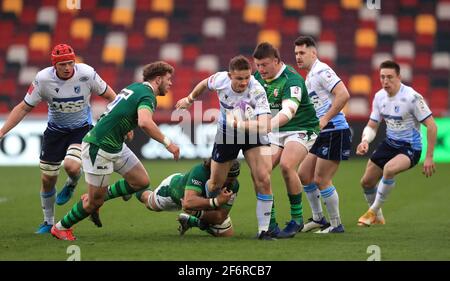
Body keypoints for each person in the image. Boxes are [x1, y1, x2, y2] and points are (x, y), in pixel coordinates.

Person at [50, 61, 180, 240]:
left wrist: (125, 126)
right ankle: (61, 227)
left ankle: (98, 196)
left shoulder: (135, 87)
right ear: (158, 80)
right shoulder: (148, 96)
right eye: (168, 79)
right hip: (100, 147)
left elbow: (115, 110)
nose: (170, 83)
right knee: (94, 203)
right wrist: (168, 143)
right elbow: (145, 122)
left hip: (115, 144)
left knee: (141, 182)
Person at [0, 44, 117, 234]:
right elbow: (23, 107)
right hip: (55, 131)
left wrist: (121, 122)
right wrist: (2, 131)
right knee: (47, 179)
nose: (67, 67)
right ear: (55, 65)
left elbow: (112, 96)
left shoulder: (87, 74)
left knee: (71, 166)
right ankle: (48, 222)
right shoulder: (43, 79)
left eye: (70, 63)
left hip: (82, 129)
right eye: (62, 64)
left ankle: (72, 182)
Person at [176, 55, 275, 240]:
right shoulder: (220, 79)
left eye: (247, 77)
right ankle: (207, 216)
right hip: (227, 134)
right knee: (215, 184)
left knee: (263, 179)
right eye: (239, 78)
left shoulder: (257, 90)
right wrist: (189, 99)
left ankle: (264, 230)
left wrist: (240, 125)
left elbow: (266, 124)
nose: (244, 82)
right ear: (230, 76)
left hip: (253, 133)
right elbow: (204, 83)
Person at [356, 60, 437, 226]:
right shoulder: (379, 97)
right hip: (389, 143)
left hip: (410, 147)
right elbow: (373, 124)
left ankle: (372, 211)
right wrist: (365, 141)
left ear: (399, 77)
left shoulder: (412, 98)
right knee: (366, 182)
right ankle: (378, 217)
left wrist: (429, 157)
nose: (385, 81)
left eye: (390, 77)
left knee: (389, 169)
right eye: (382, 77)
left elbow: (432, 126)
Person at [252, 42, 320, 238]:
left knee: (287, 165)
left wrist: (267, 125)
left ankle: (297, 219)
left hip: (301, 128)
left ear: (276, 61)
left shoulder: (292, 80)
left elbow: (288, 111)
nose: (260, 70)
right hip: (275, 132)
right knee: (260, 173)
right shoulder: (257, 77)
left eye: (264, 65)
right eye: (257, 65)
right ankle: (270, 223)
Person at [295, 36, 351, 233]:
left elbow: (343, 94)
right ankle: (319, 219)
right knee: (303, 174)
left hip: (335, 130)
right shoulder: (309, 77)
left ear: (313, 53)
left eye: (302, 53)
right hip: (321, 133)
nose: (298, 57)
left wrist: (326, 118)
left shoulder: (322, 71)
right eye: (296, 54)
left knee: (321, 179)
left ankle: (336, 224)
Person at [137, 158, 240, 237]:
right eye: (228, 178)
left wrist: (197, 213)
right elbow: (188, 202)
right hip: (171, 192)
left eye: (234, 179)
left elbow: (220, 217)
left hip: (201, 204)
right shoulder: (201, 171)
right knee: (148, 202)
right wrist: (217, 201)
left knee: (227, 234)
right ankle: (136, 186)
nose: (231, 183)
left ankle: (190, 221)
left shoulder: (233, 185)